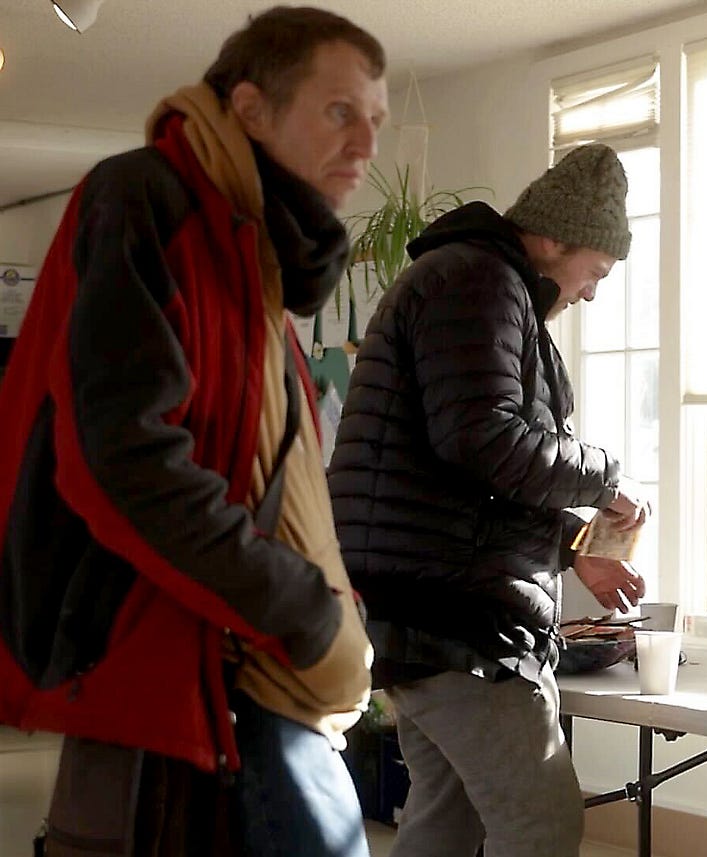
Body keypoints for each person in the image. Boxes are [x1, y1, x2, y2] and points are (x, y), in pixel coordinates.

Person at [0, 7, 388, 856]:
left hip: (253, 692)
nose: (365, 142)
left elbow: (274, 482)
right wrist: (307, 615)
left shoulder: (253, 265)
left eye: (374, 119)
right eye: (339, 110)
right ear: (250, 108)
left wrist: (330, 615)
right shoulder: (148, 199)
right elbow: (126, 463)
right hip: (177, 693)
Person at [328, 142, 652, 857]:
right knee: (541, 819)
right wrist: (606, 477)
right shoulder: (481, 282)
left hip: (420, 607)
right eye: (596, 271)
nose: (593, 291)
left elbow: (471, 477)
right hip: (457, 623)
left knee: (446, 821)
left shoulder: (466, 279)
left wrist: (573, 550)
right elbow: (483, 439)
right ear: (558, 236)